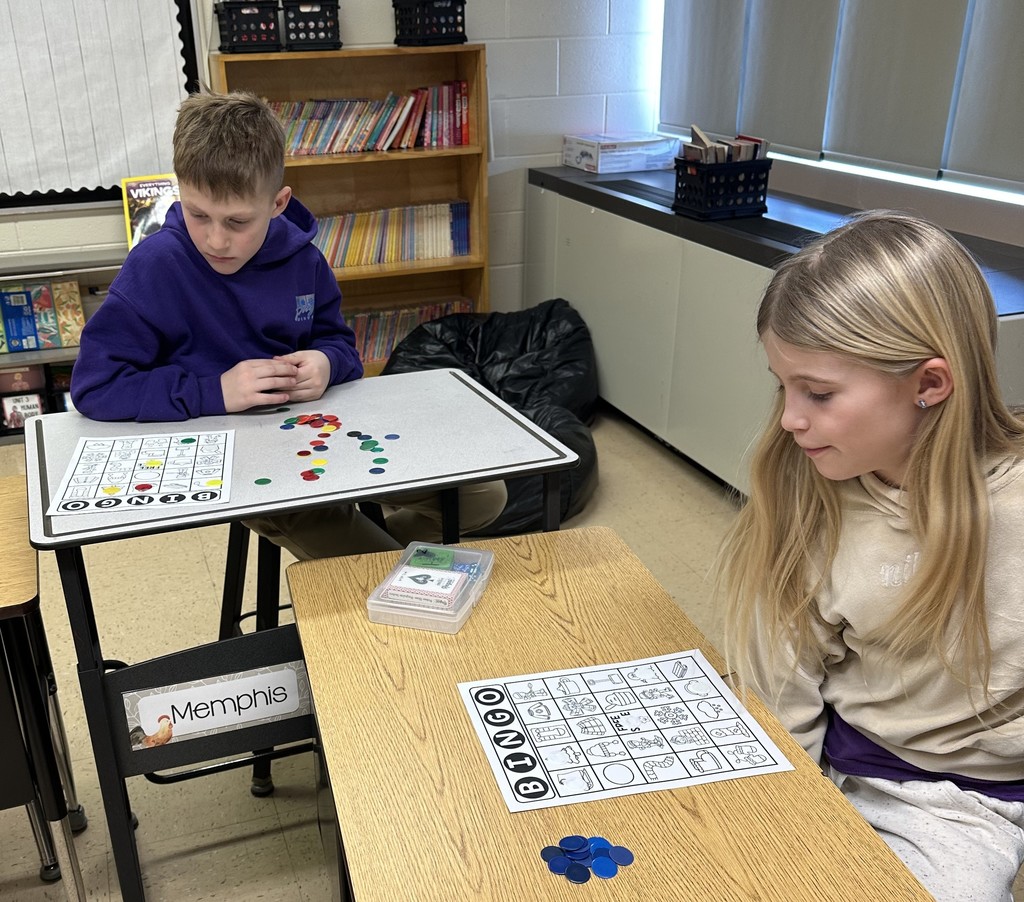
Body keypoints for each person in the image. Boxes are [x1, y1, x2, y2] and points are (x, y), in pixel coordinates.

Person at [718, 210, 1024, 902]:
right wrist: (789, 821)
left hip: (987, 788)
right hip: (889, 784)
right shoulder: (808, 502)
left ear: (930, 384)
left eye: (819, 394)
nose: (791, 418)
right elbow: (780, 693)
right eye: (782, 385)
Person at [71, 89, 506, 558]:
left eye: (238, 221)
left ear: (279, 203)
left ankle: (371, 566)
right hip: (245, 464)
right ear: (180, 192)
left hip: (322, 437)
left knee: (484, 496)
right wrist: (212, 391)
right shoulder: (155, 267)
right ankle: (368, 570)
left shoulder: (303, 259)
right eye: (199, 215)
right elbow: (96, 385)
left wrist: (326, 362)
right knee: (366, 562)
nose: (216, 239)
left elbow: (339, 345)